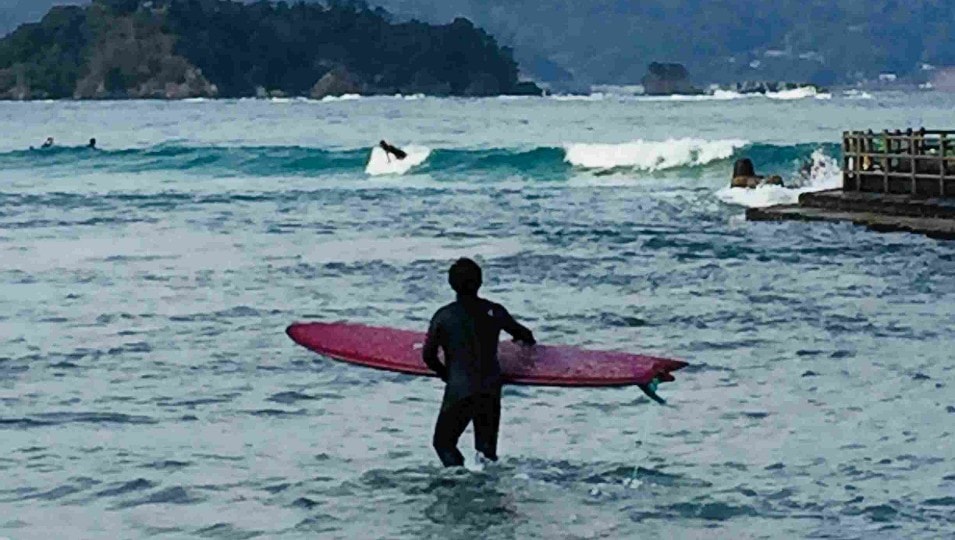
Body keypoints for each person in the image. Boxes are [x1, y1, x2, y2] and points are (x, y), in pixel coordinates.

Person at [422, 258, 536, 467]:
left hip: (460, 390)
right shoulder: (495, 311)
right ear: (480, 282)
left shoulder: (443, 316)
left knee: (444, 444)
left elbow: (428, 356)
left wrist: (446, 374)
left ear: (451, 284)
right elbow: (525, 335)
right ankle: (488, 494)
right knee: (487, 453)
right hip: (490, 389)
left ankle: (458, 478)